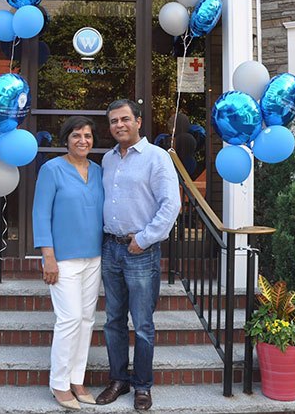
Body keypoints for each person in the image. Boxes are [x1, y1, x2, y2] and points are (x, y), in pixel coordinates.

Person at [95, 99, 180, 411]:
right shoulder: (107, 159)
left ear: (139, 121)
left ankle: (142, 385)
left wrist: (143, 239)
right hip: (111, 248)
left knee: (142, 323)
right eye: (114, 121)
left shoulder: (156, 158)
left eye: (125, 119)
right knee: (113, 320)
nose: (119, 125)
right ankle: (118, 380)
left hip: (140, 251)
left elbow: (171, 204)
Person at [32, 116, 104, 411]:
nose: (83, 141)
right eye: (76, 135)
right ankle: (59, 383)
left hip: (94, 256)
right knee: (70, 319)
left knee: (87, 320)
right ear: (66, 139)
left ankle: (77, 379)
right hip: (62, 259)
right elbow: (40, 214)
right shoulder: (51, 170)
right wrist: (48, 257)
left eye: (87, 136)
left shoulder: (98, 170)